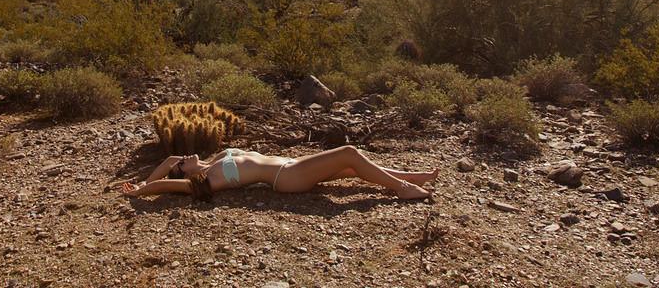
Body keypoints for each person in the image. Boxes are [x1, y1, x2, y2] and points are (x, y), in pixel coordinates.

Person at [120, 146, 437, 201]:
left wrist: (144, 180)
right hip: (287, 178)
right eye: (182, 164)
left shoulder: (213, 161)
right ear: (184, 176)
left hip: (291, 165)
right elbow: (167, 181)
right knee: (350, 154)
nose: (183, 157)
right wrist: (143, 192)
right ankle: (402, 188)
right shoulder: (210, 180)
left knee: (350, 168)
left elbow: (170, 161)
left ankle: (414, 176)